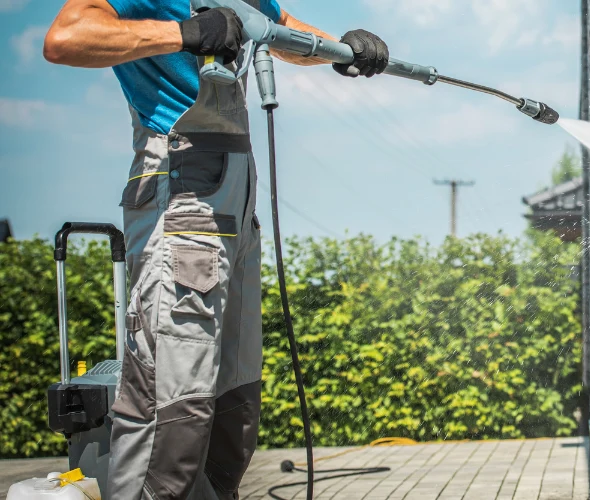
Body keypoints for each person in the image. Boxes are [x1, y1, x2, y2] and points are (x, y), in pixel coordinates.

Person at [43, 2, 389, 498]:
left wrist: (342, 50)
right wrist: (184, 33)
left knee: (233, 400)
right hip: (180, 183)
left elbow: (280, 29)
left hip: (235, 195)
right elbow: (66, 38)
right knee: (173, 401)